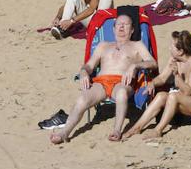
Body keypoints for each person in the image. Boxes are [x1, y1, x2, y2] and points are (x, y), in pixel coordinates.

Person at [49, 14, 158, 144]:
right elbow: (89, 65)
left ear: (132, 30)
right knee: (82, 98)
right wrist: (84, 72)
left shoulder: (137, 45)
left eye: (126, 24)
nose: (121, 27)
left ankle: (117, 130)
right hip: (101, 82)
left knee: (122, 94)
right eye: (118, 24)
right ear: (113, 29)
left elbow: (153, 63)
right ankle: (64, 132)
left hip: (122, 82)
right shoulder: (103, 45)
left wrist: (135, 65)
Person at [122, 30, 191, 140]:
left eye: (172, 46)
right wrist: (152, 83)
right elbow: (163, 78)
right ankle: (136, 128)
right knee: (161, 95)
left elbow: (188, 91)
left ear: (180, 51)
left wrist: (176, 75)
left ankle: (158, 130)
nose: (169, 48)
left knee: (173, 95)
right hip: (186, 100)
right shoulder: (175, 60)